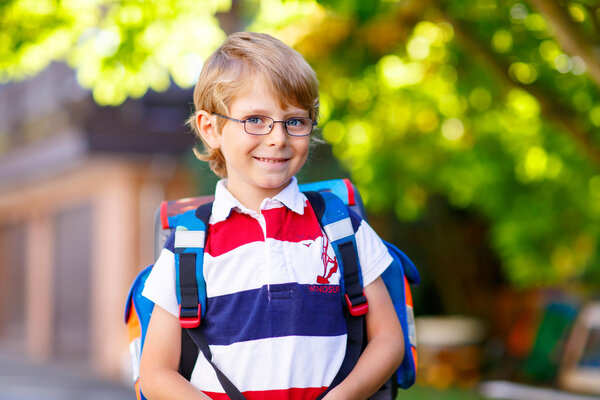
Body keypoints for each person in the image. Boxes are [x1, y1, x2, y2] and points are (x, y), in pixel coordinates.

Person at [139, 31, 404, 400]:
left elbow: (389, 340)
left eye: (294, 121)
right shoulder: (188, 246)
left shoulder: (341, 227)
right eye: (256, 119)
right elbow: (154, 373)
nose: (278, 138)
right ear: (210, 128)